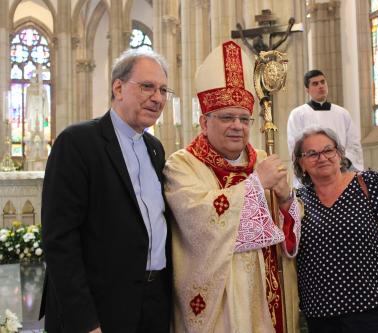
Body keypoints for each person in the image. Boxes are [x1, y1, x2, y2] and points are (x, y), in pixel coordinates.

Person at [164, 40, 301, 333]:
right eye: (227, 117)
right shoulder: (181, 166)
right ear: (204, 121)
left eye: (244, 118)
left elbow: (284, 236)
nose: (237, 125)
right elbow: (200, 227)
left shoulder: (263, 160)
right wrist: (256, 184)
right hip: (222, 308)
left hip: (268, 298)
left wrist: (287, 200)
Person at [40, 49, 173, 333]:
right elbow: (60, 240)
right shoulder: (77, 143)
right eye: (147, 86)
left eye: (163, 90)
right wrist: (85, 321)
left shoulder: (155, 149)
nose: (158, 98)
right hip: (100, 308)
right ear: (118, 88)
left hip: (152, 304)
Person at [292, 127, 378, 333]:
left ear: (339, 155)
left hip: (373, 309)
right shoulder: (298, 199)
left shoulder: (368, 183)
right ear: (301, 163)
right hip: (321, 315)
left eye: (328, 150)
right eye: (311, 154)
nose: (322, 158)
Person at [287, 69, 364, 180]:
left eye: (323, 82)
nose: (321, 86)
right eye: (315, 83)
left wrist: (343, 162)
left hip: (342, 172)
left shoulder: (342, 113)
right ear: (307, 90)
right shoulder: (298, 114)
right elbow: (295, 147)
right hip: (313, 174)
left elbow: (354, 144)